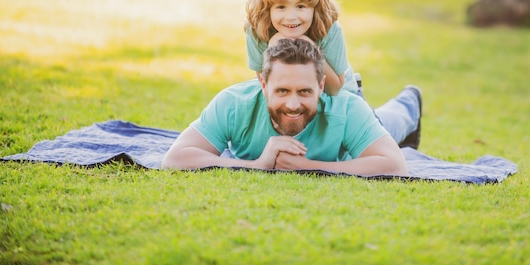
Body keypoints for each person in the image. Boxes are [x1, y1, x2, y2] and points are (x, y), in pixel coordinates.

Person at [161, 38, 422, 177]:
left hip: (362, 124)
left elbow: (395, 165)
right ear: (263, 83)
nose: (293, 104)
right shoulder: (234, 103)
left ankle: (410, 102)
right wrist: (259, 165)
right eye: (282, 91)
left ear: (321, 85)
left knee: (391, 123)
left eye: (305, 91)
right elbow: (175, 159)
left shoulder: (346, 108)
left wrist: (308, 166)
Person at [245, 0, 358, 96]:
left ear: (315, 8)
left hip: (340, 95)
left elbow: (334, 89)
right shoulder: (257, 29)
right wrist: (272, 50)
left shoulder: (329, 29)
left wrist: (310, 47)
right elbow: (266, 85)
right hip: (293, 92)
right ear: (267, 10)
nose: (291, 17)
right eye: (281, 7)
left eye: (300, 6)